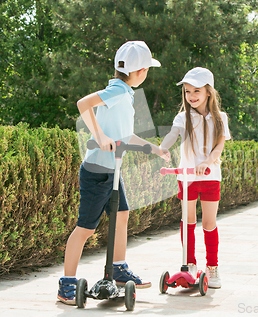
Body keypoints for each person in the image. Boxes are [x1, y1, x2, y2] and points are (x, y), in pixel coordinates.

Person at [58, 41, 169, 305]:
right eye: (147, 70)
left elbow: (124, 134)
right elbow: (83, 103)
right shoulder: (118, 91)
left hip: (112, 169)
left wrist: (153, 149)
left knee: (122, 214)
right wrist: (99, 134)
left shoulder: (125, 92)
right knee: (85, 228)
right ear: (140, 71)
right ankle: (67, 285)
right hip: (97, 170)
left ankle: (118, 268)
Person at [159, 67, 231, 288]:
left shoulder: (220, 118)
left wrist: (207, 162)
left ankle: (212, 267)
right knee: (187, 221)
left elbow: (219, 146)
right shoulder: (183, 117)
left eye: (196, 90)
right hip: (187, 177)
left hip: (210, 177)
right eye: (187, 91)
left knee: (209, 223)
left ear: (208, 91)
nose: (191, 96)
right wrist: (162, 148)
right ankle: (189, 263)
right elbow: (172, 135)